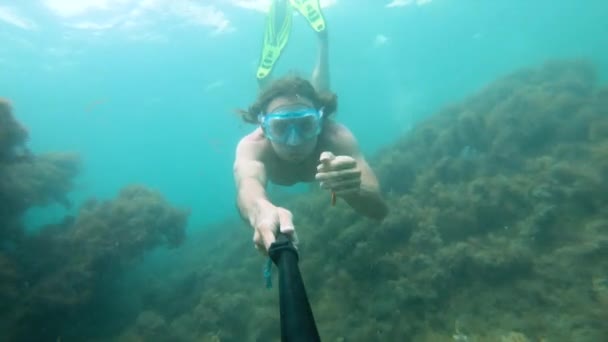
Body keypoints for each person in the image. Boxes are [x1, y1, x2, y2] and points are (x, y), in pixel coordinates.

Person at [233, 0, 388, 255]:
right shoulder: (253, 146)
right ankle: (270, 78)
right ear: (263, 128)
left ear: (319, 122)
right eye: (280, 129)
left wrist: (353, 189)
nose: (294, 141)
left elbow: (379, 211)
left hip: (311, 113)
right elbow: (247, 184)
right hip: (280, 116)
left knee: (320, 92)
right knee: (287, 99)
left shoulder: (335, 138)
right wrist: (259, 209)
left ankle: (322, 43)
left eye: (306, 125)